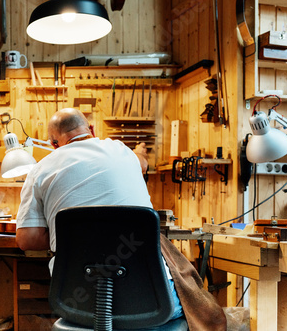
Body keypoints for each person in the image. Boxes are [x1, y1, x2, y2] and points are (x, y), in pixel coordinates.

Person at [15, 108, 226, 330]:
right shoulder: (122, 150)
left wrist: (72, 235)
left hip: (77, 304)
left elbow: (27, 240)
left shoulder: (39, 170)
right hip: (153, 303)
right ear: (92, 130)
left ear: (53, 145)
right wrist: (140, 152)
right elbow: (142, 163)